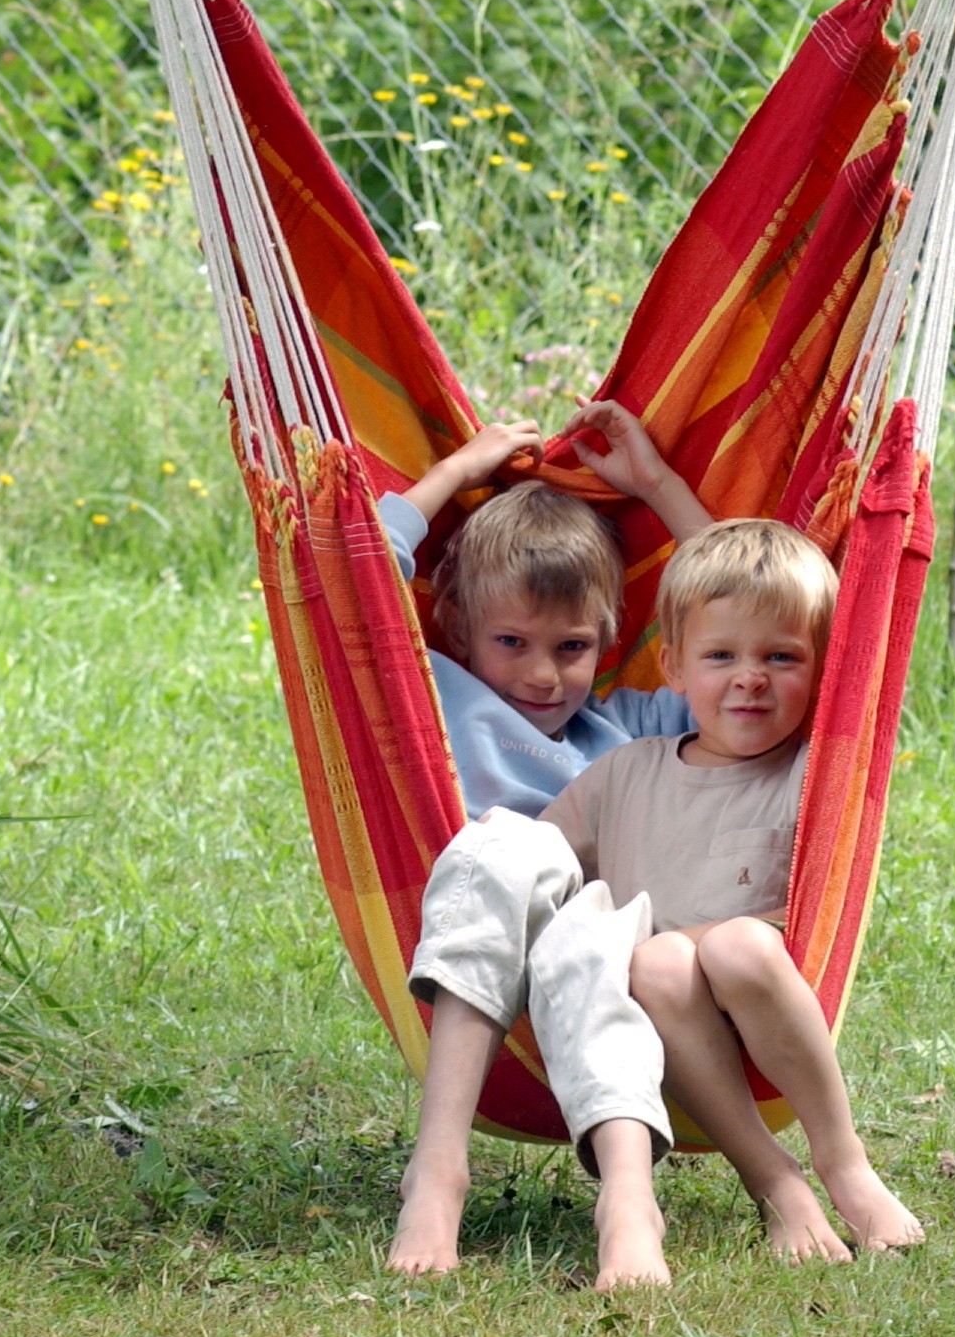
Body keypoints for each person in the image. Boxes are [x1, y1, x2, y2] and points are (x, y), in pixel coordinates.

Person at [388, 515, 924, 1288]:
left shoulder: (819, 767)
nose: (750, 677)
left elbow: (768, 610)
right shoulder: (627, 768)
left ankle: (839, 1165)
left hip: (741, 1007)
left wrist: (659, 490)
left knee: (703, 949)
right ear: (673, 665)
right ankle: (752, 1181)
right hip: (628, 1008)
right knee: (551, 885)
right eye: (723, 658)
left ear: (822, 670)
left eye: (782, 658)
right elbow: (531, 866)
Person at [375, 397, 715, 819]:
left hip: (610, 881)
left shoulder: (628, 729)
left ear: (606, 640)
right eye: (512, 641)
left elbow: (750, 617)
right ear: (461, 630)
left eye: (572, 646)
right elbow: (355, 577)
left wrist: (658, 485)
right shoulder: (435, 697)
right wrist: (453, 471)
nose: (542, 676)